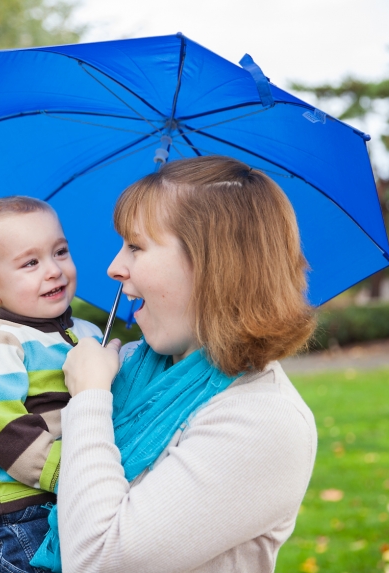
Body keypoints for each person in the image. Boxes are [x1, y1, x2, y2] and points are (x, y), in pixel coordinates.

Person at [57, 155, 319, 572]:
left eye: (136, 246)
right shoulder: (127, 367)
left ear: (214, 264)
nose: (113, 267)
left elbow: (100, 560)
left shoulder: (262, 420)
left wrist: (88, 398)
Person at [0, 196, 102, 572]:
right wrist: (70, 473)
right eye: (31, 263)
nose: (54, 270)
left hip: (63, 500)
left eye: (61, 252)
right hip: (11, 514)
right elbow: (2, 425)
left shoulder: (87, 333)